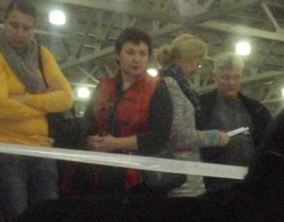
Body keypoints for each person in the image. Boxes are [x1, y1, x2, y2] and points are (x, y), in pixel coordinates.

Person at [0, 0, 73, 222]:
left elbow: (67, 98)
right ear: (4, 22)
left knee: (48, 220)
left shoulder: (43, 55)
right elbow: (0, 108)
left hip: (41, 150)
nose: (19, 33)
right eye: (14, 25)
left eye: (26, 28)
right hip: (4, 149)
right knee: (17, 220)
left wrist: (26, 100)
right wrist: (43, 101)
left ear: (34, 29)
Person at [83, 27, 173, 195]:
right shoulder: (103, 85)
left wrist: (115, 143)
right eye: (130, 52)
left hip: (141, 179)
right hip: (101, 172)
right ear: (118, 54)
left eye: (142, 54)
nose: (136, 59)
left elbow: (160, 136)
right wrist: (90, 139)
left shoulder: (158, 88)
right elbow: (88, 122)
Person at [155, 34, 229, 196]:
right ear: (187, 59)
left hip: (185, 173)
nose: (197, 69)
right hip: (181, 178)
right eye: (197, 63)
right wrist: (214, 137)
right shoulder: (172, 85)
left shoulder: (176, 84)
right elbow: (177, 136)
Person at [199, 52, 271, 192]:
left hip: (249, 184)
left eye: (235, 77)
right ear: (215, 77)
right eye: (225, 77)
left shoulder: (257, 110)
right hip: (212, 185)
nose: (231, 83)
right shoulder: (200, 107)